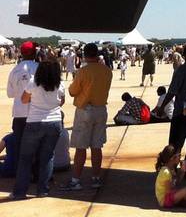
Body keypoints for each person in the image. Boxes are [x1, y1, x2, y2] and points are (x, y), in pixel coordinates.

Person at [10, 60, 65, 199]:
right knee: (47, 157)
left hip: (34, 122)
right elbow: (61, 101)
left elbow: (24, 100)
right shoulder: (59, 84)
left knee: (26, 158)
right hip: (54, 122)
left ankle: (20, 192)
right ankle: (43, 190)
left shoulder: (33, 82)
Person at [66, 42, 112, 190]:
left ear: (85, 55)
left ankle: (76, 180)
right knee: (97, 146)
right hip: (101, 109)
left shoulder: (83, 72)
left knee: (81, 147)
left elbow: (73, 91)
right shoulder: (107, 71)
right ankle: (96, 178)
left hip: (85, 110)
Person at [5, 40, 38, 176]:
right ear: (34, 52)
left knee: (20, 146)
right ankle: (36, 174)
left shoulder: (15, 70)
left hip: (19, 114)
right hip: (37, 114)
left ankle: (22, 175)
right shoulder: (39, 68)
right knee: (37, 146)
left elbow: (10, 93)